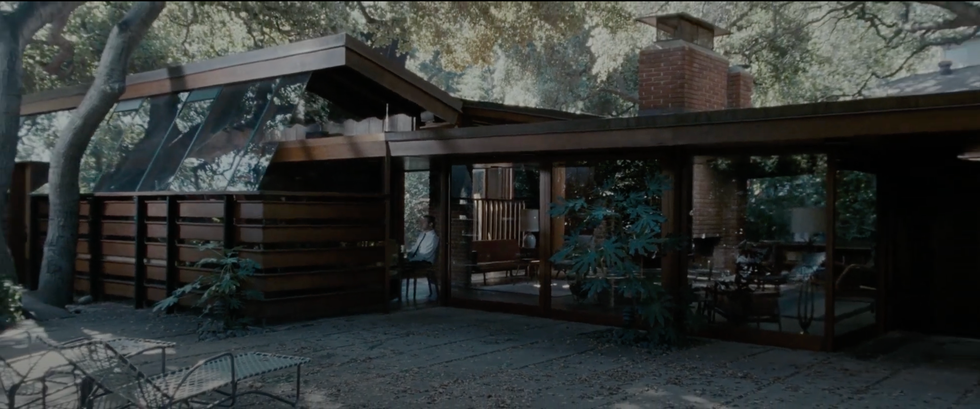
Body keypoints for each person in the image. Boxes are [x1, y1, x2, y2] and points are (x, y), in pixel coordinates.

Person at [405, 215, 440, 300]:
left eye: (424, 222)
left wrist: (411, 259)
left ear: (430, 224)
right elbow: (415, 248)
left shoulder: (433, 238)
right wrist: (408, 254)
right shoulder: (422, 235)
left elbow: (425, 254)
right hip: (417, 258)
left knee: (404, 265)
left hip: (425, 261)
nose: (422, 224)